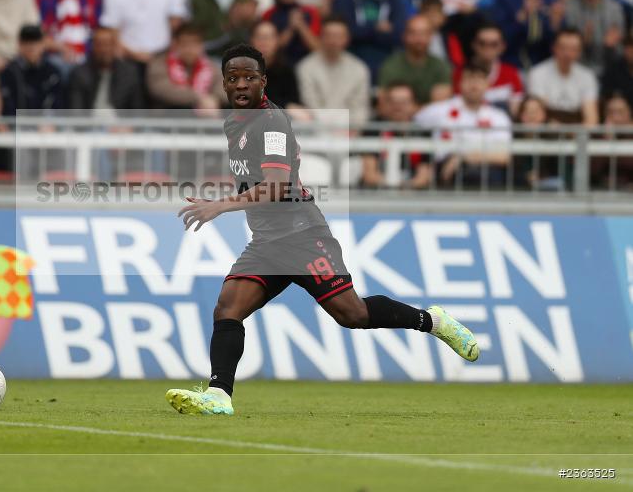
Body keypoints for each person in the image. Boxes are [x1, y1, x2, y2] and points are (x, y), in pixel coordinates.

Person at [165, 43, 480, 416]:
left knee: (353, 315)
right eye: (233, 78)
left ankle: (434, 321)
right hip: (267, 242)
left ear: (263, 81)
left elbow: (277, 186)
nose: (241, 84)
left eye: (250, 77)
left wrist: (221, 205)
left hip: (302, 235)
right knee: (227, 308)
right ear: (223, 83)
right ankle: (219, 396)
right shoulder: (234, 122)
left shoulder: (272, 123)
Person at [414, 59, 512, 188]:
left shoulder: (499, 117)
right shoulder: (438, 110)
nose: (474, 85)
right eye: (469, 79)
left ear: (487, 84)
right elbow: (408, 123)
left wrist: (463, 157)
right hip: (444, 169)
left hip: (486, 171)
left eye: (479, 79)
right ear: (459, 83)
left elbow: (504, 157)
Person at [295, 17, 370, 126]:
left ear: (347, 39)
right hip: (314, 130)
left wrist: (351, 129)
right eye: (329, 36)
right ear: (321, 37)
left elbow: (359, 108)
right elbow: (310, 104)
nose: (333, 41)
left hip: (349, 132)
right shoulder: (306, 67)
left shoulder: (359, 69)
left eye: (339, 36)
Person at [360, 83, 432, 189]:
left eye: (404, 102)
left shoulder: (423, 133)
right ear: (385, 104)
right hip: (378, 194)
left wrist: (405, 187)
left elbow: (424, 177)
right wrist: (394, 186)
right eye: (393, 102)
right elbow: (369, 175)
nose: (398, 107)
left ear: (414, 105)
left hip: (413, 196)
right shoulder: (372, 129)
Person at [564, 0, 626, 76]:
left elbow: (620, 53)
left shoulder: (615, 9)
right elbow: (563, 49)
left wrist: (609, 47)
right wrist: (583, 45)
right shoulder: (570, 7)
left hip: (608, 72)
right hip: (575, 70)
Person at [145, 23, 225, 115]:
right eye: (185, 44)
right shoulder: (159, 64)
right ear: (175, 45)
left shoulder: (211, 66)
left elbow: (225, 86)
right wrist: (199, 98)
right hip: (168, 118)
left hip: (206, 116)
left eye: (195, 44)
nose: (190, 49)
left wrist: (215, 99)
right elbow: (162, 90)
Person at [527, 27, 599, 125]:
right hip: (546, 129)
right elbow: (538, 113)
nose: (567, 54)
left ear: (580, 51)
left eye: (573, 49)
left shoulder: (587, 76)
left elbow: (591, 118)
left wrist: (572, 133)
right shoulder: (537, 73)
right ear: (554, 48)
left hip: (578, 132)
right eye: (563, 48)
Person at [378, 14, 452, 106]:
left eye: (424, 33)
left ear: (431, 36)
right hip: (396, 119)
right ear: (404, 35)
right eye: (413, 33)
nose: (419, 39)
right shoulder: (391, 65)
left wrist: (412, 110)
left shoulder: (441, 66)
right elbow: (383, 103)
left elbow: (440, 106)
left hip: (431, 119)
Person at [452, 24, 524, 115]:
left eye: (494, 44)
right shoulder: (459, 74)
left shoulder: (512, 73)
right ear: (474, 44)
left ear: (502, 46)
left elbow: (517, 112)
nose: (487, 48)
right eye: (482, 43)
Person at [67, 27, 144, 112]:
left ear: (115, 46)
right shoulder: (79, 74)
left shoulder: (129, 73)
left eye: (108, 44)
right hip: (89, 123)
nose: (104, 50)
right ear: (93, 47)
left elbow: (137, 111)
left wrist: (127, 124)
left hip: (120, 123)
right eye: (100, 45)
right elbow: (76, 112)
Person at [0, 24, 66, 113]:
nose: (31, 47)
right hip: (17, 124)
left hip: (46, 124)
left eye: (35, 42)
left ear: (43, 44)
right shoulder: (9, 72)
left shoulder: (52, 72)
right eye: (26, 42)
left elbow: (57, 104)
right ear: (19, 45)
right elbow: (7, 106)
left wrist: (48, 121)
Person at [262, 0, 320, 65]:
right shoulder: (269, 14)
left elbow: (317, 48)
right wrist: (291, 29)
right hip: (277, 65)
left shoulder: (310, 12)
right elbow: (270, 48)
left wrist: (301, 26)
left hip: (306, 65)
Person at [249, 20, 304, 117]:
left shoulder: (287, 70)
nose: (264, 42)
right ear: (252, 41)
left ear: (277, 41)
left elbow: (294, 102)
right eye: (260, 37)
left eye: (269, 38)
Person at [590, 93, 633, 190]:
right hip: (601, 191)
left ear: (629, 113)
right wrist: (606, 141)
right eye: (611, 112)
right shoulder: (597, 136)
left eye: (620, 112)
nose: (616, 117)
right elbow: (592, 171)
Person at [601, 33, 633, 108]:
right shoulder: (613, 69)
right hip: (619, 113)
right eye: (629, 46)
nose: (631, 50)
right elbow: (607, 96)